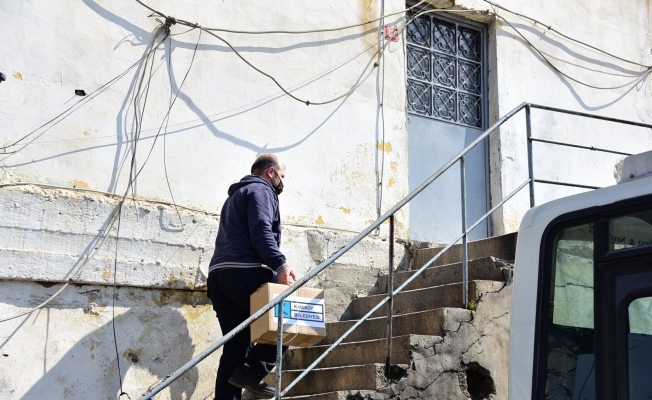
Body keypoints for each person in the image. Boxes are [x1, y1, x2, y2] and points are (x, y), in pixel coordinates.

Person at [207, 153, 297, 399]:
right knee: (291, 317)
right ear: (271, 172)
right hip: (244, 273)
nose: (281, 182)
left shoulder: (237, 195)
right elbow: (261, 231)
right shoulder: (261, 191)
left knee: (236, 346)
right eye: (281, 177)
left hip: (219, 277)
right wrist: (280, 265)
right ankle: (253, 369)